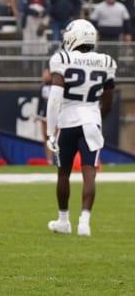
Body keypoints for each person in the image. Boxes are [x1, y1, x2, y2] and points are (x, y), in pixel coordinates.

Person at [46, 19, 117, 236]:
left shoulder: (63, 59)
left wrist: (51, 130)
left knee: (63, 174)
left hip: (68, 121)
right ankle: (84, 223)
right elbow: (108, 102)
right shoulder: (106, 61)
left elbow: (55, 98)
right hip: (91, 121)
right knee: (89, 173)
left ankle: (64, 220)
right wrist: (94, 116)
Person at [37, 68, 54, 165]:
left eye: (45, 74)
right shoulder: (43, 86)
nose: (43, 75)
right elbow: (40, 102)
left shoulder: (55, 86)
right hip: (44, 115)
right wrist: (38, 114)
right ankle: (49, 159)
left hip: (54, 115)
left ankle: (59, 157)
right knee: (46, 137)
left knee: (54, 136)